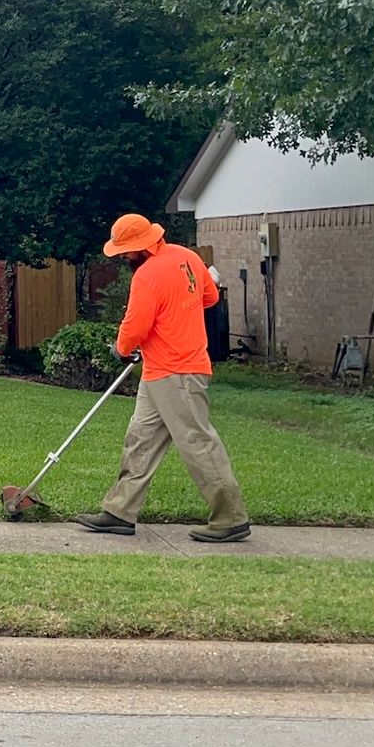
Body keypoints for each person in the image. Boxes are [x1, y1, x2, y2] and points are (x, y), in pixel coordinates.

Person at [72, 213, 252, 543]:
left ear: (141, 246)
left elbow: (135, 325)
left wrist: (121, 348)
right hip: (161, 370)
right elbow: (210, 297)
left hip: (177, 372)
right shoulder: (188, 257)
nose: (124, 257)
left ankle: (231, 518)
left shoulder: (147, 275)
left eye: (125, 251)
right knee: (140, 437)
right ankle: (119, 512)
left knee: (197, 442)